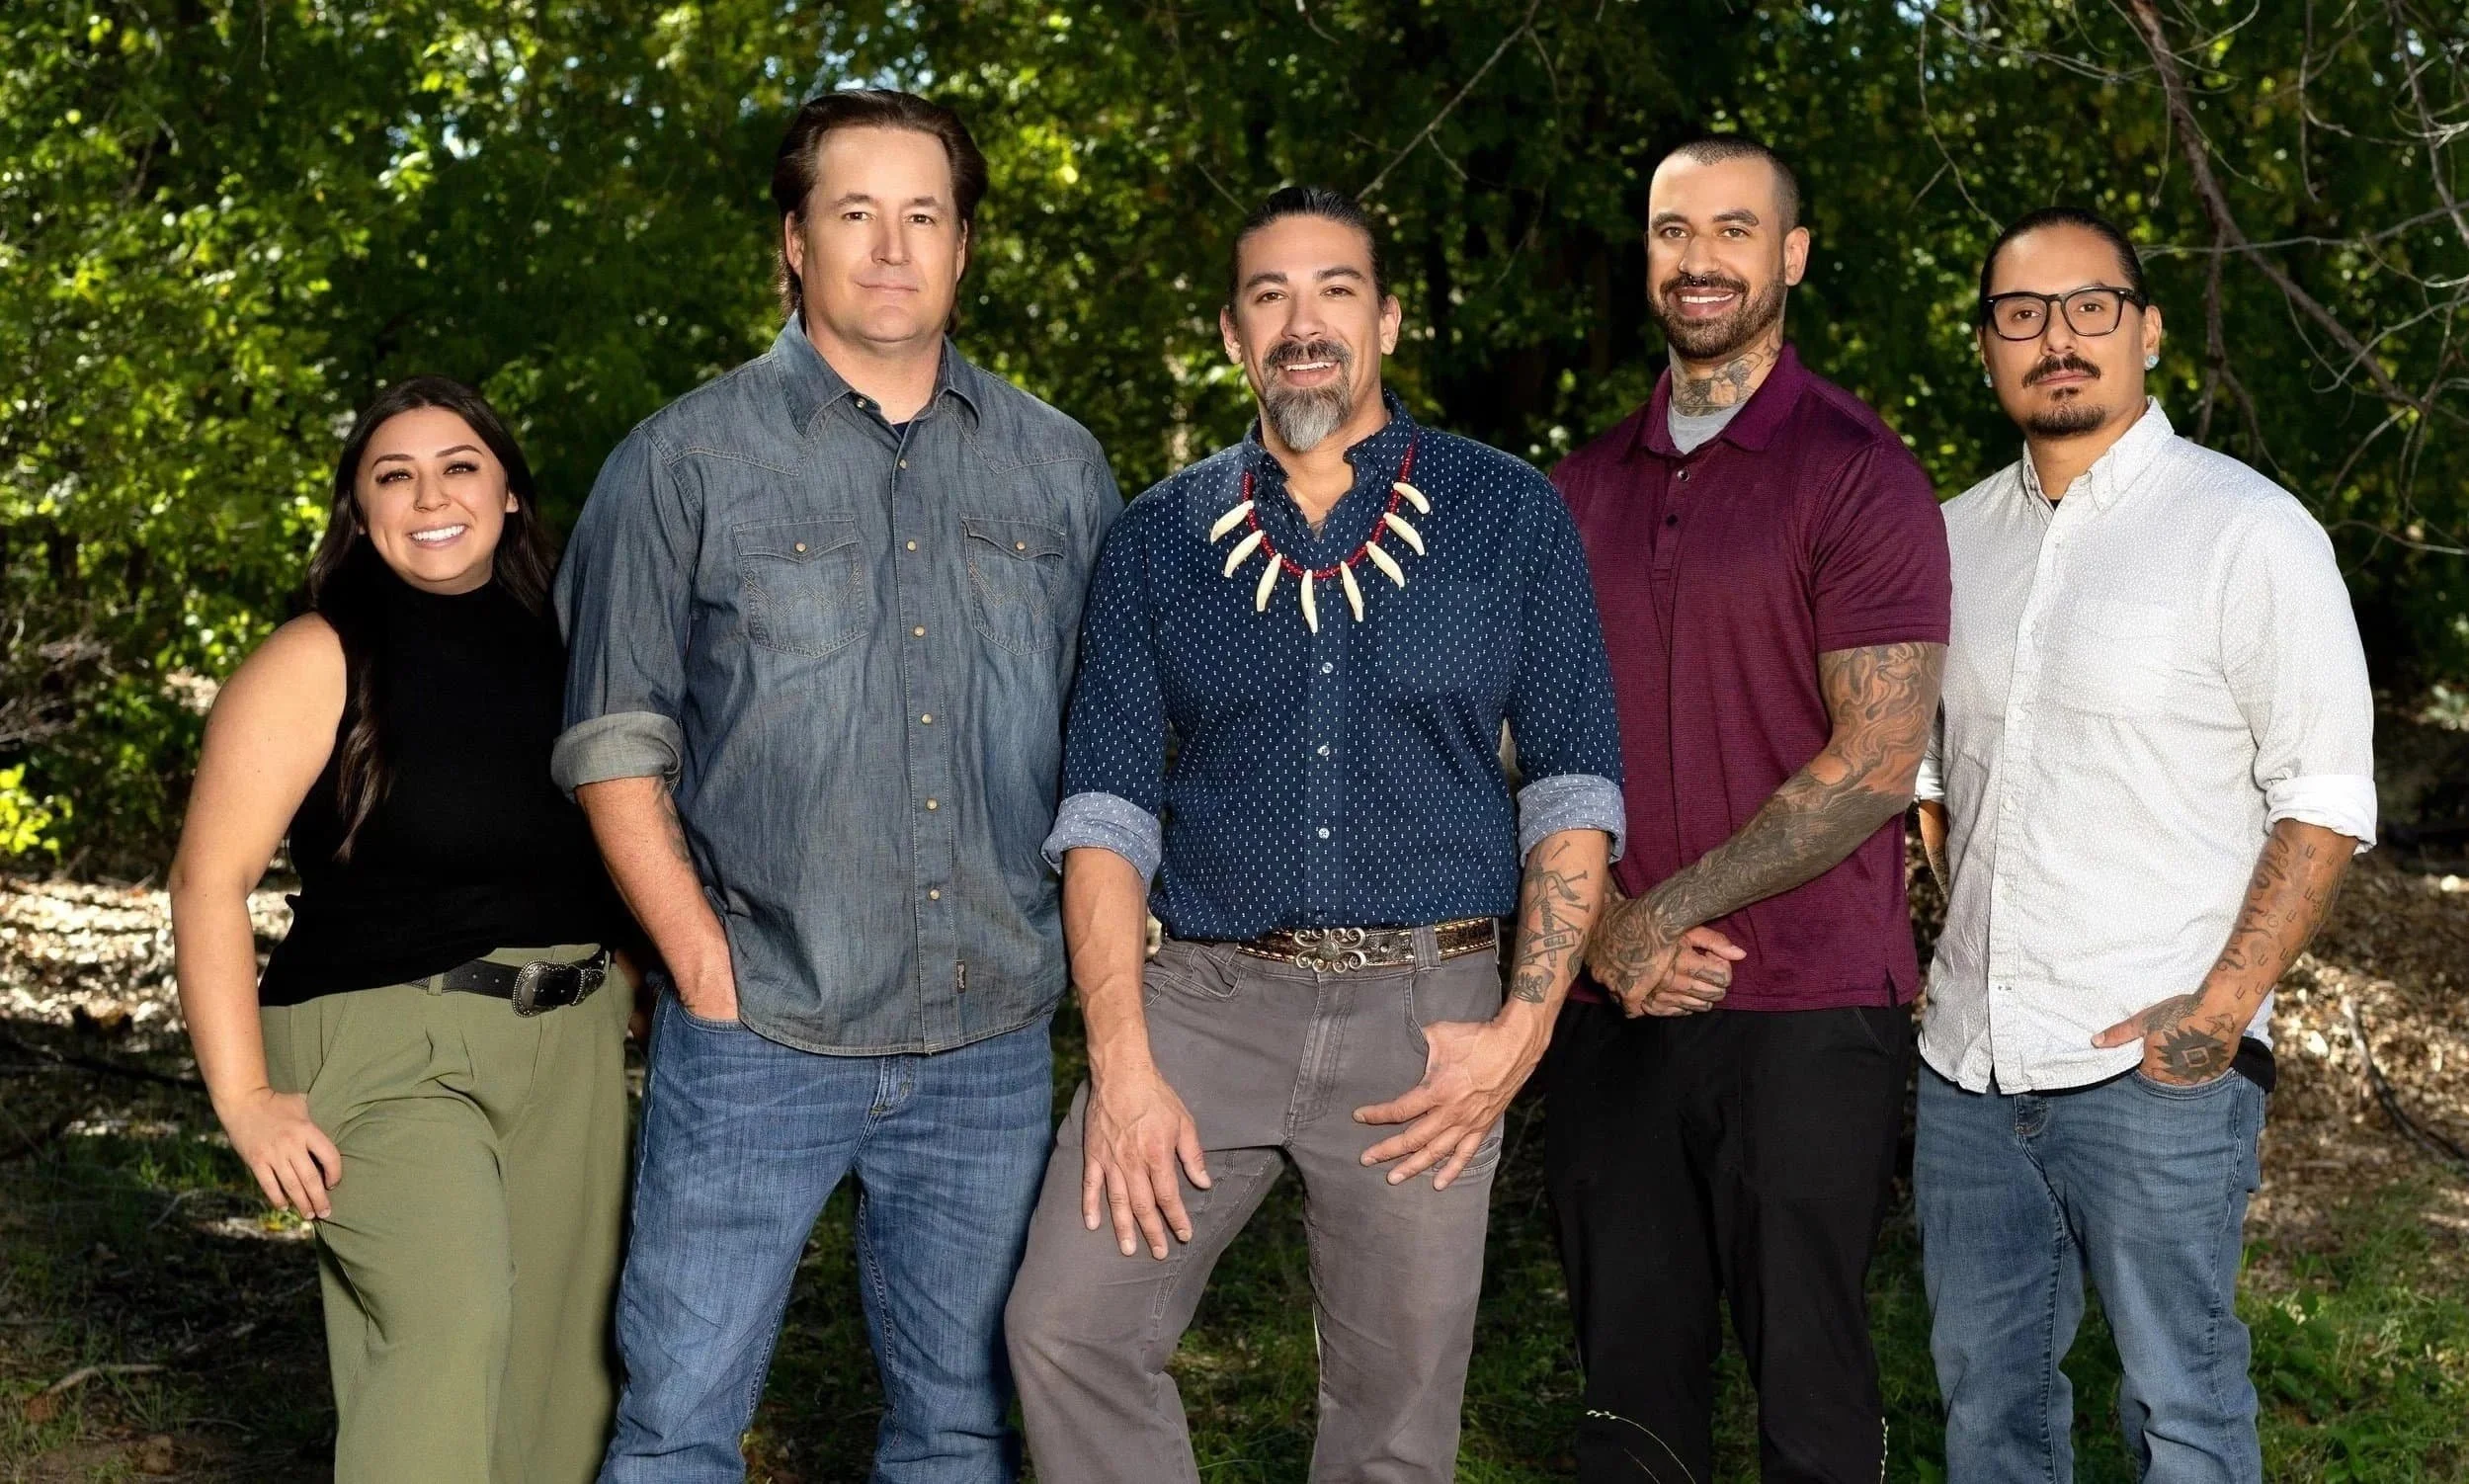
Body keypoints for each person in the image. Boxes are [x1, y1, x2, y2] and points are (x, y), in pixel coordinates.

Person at [1001, 185, 1626, 1484]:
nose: (1303, 321)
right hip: (1204, 1002)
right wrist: (1118, 1061)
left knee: (1393, 1423)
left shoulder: (1504, 514)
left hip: (1429, 1013)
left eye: (1334, 288)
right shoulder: (1158, 539)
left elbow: (1569, 789)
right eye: (1270, 295)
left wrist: (1521, 1029)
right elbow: (1105, 814)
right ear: (1231, 332)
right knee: (1065, 1326)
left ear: (1385, 317)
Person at [555, 89, 1117, 1483]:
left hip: (987, 1035)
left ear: (963, 246)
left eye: (921, 213)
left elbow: (1108, 744)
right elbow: (613, 738)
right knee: (678, 1421)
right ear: (791, 245)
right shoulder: (680, 461)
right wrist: (697, 958)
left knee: (961, 1426)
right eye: (850, 211)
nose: (888, 245)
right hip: (756, 1029)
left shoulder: (1059, 468)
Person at [1913, 206, 2374, 1483]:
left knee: (2179, 1407)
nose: (2054, 338)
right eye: (2019, 313)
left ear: (2146, 327)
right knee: (1986, 1407)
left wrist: (2218, 1012)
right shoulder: (1949, 540)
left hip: (2153, 1072)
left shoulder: (2249, 532)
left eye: (2088, 307)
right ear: (1985, 346)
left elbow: (2324, 795)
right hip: (1966, 1072)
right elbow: (1932, 779)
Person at [1546, 136, 1952, 1483]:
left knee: (1810, 1395)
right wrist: (1599, 925)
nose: (1698, 258)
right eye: (1671, 230)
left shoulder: (1853, 469)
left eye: (1733, 229)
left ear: (1788, 256)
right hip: (1612, 1003)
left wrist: (1659, 911)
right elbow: (1511, 738)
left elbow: (1878, 757)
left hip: (1805, 1010)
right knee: (1627, 1390)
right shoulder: (1575, 488)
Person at [167, 375, 632, 1484]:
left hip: (571, 1039)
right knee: (449, 1322)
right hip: (381, 1043)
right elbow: (205, 881)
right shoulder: (318, 655)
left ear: (510, 493)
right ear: (360, 510)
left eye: (459, 465)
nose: (431, 493)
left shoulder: (580, 648)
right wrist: (244, 1100)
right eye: (394, 473)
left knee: (562, 1386)